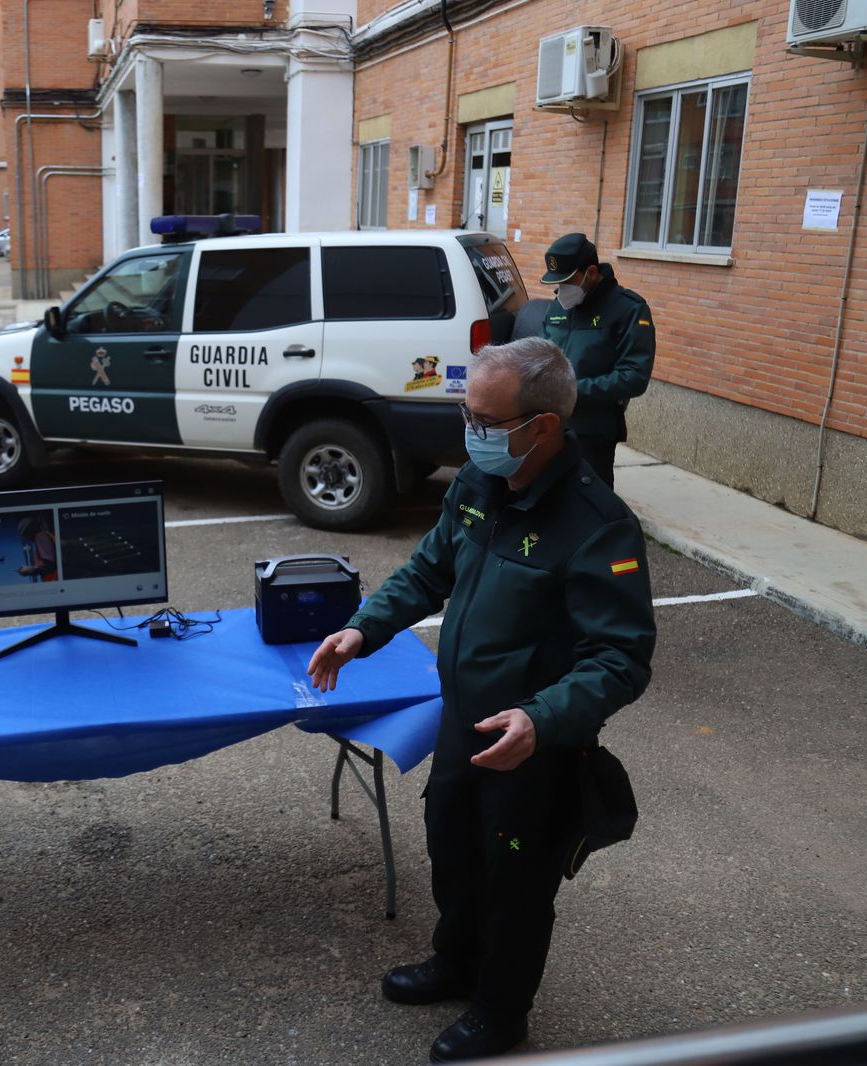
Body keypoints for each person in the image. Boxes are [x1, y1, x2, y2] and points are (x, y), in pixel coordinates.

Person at [307, 337, 657, 1062]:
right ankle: (457, 962)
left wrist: (542, 717)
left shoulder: (598, 526)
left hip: (530, 742)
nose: (470, 431)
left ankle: (501, 1012)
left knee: (516, 879)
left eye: (485, 420)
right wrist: (364, 628)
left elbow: (621, 658)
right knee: (453, 847)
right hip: (463, 719)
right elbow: (430, 567)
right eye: (466, 414)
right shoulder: (479, 481)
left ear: (543, 427)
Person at [537, 233, 655, 488]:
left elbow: (634, 376)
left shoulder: (628, 309)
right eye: (557, 284)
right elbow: (541, 356)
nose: (561, 291)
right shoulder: (558, 307)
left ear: (590, 273)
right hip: (549, 428)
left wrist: (572, 390)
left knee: (589, 503)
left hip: (592, 433)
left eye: (567, 282)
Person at [14, 516, 57, 583]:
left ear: (29, 531)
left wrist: (30, 570)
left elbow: (50, 565)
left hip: (54, 580)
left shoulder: (40, 536)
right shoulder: (46, 535)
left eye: (25, 534)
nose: (27, 538)